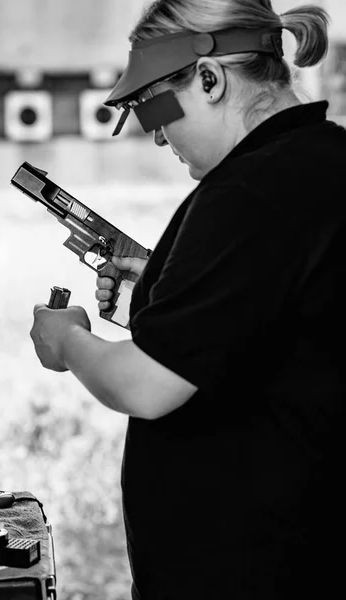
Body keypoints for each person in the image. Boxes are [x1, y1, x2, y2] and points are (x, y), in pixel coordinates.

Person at [30, 0, 346, 598]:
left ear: (209, 78)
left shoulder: (250, 189)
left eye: (156, 106)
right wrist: (166, 280)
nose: (155, 134)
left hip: (255, 570)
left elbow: (146, 385)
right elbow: (276, 328)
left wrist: (68, 340)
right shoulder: (320, 162)